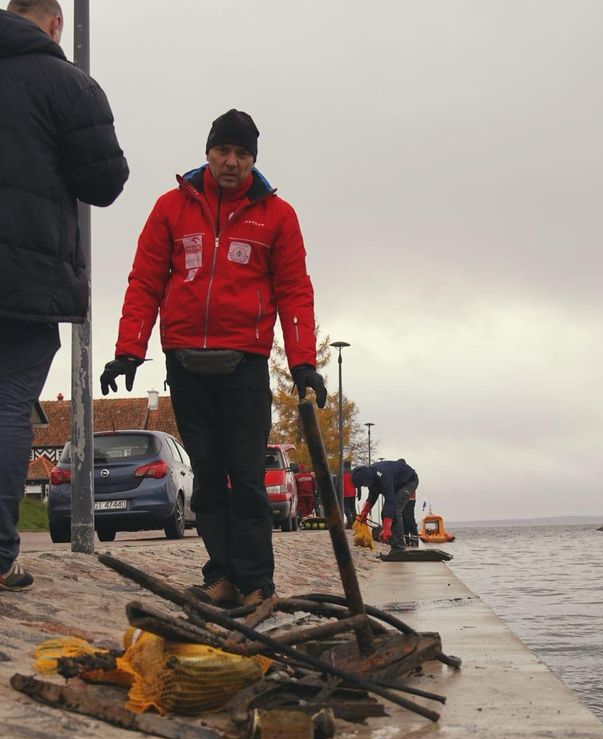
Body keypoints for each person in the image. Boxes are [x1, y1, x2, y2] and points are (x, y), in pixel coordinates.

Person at [100, 109, 326, 609]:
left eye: (242, 154)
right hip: (186, 365)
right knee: (206, 478)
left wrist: (304, 362)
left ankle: (257, 584)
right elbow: (145, 281)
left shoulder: (278, 216)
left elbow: (294, 292)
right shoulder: (170, 209)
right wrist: (129, 350)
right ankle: (220, 575)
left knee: (246, 477)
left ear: (253, 160)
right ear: (207, 152)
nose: (231, 162)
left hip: (244, 366)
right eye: (223, 151)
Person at [0, 0, 128, 593]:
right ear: (54, 23)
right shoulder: (69, 85)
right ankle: (0, 556)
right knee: (6, 408)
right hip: (27, 276)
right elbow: (104, 182)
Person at [352, 459, 419, 551]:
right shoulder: (372, 478)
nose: (364, 486)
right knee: (387, 512)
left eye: (364, 484)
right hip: (396, 484)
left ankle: (399, 547)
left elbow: (390, 501)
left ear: (367, 479)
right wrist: (364, 513)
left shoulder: (383, 475)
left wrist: (387, 528)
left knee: (395, 510)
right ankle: (394, 544)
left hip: (409, 481)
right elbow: (372, 497)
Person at [342, 460, 357, 528]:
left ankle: (350, 521)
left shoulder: (341, 473)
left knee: (346, 508)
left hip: (345, 493)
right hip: (353, 493)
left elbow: (337, 483)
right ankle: (354, 521)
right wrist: (359, 492)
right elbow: (357, 482)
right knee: (353, 508)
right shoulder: (353, 472)